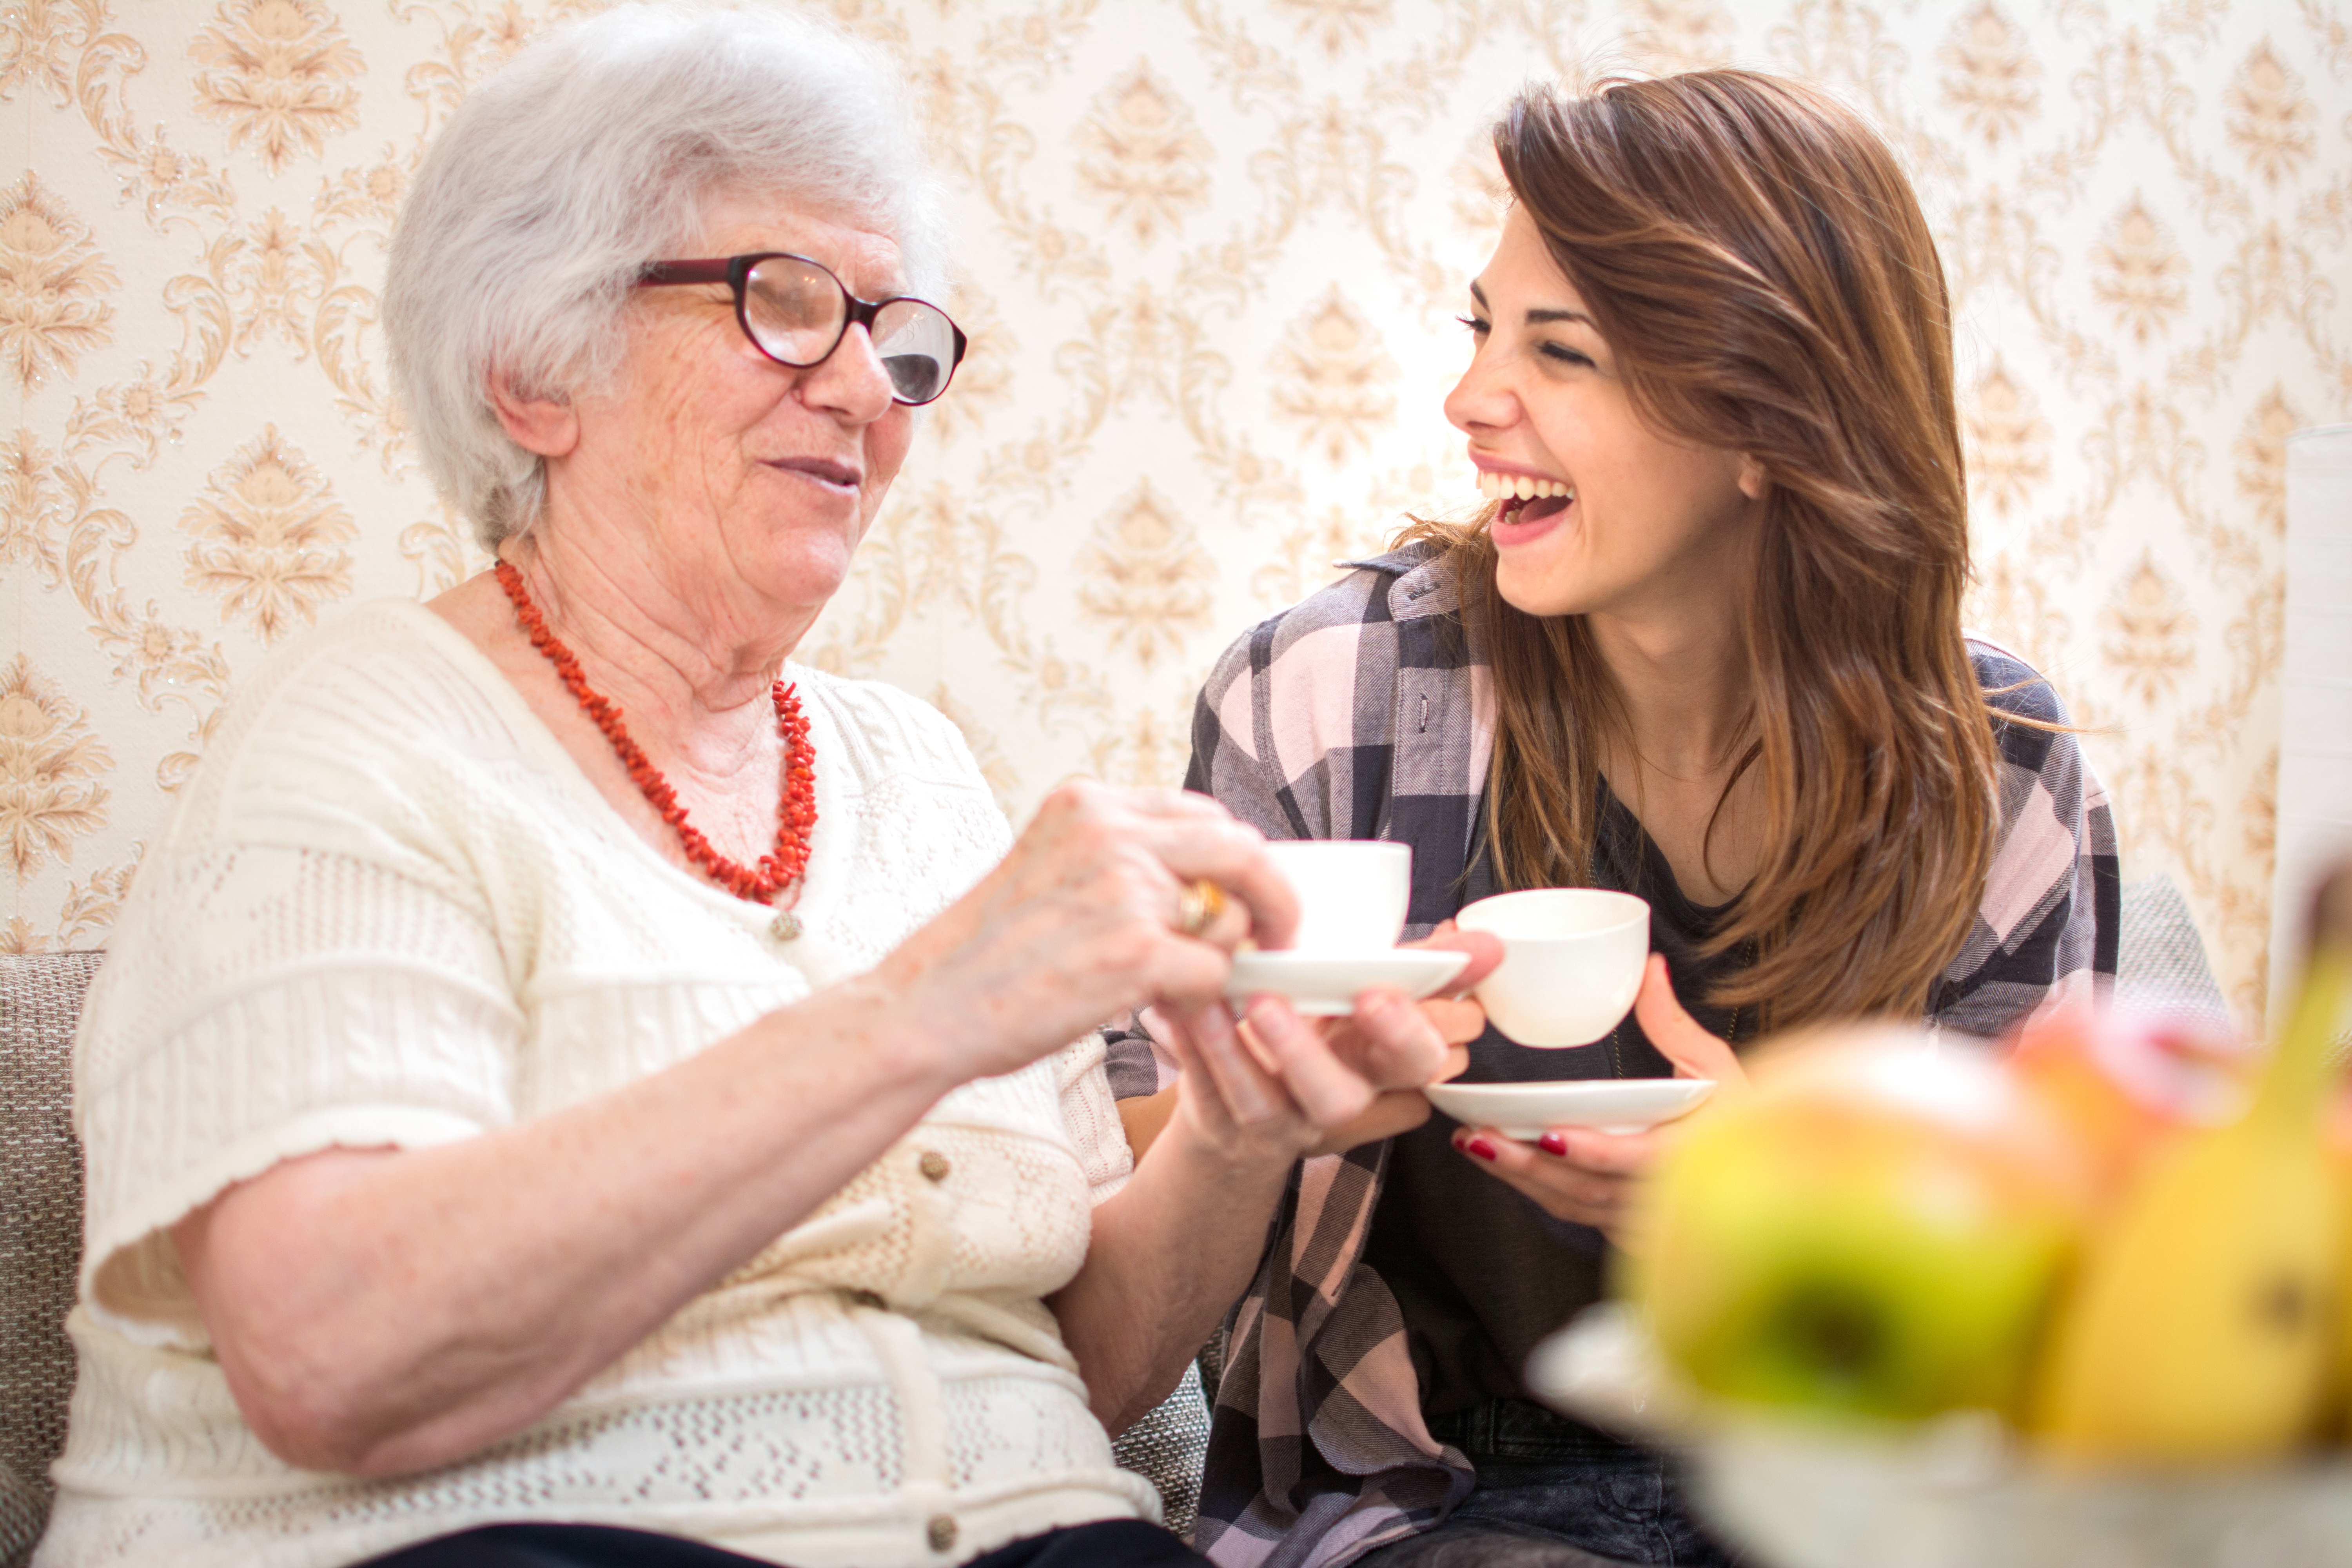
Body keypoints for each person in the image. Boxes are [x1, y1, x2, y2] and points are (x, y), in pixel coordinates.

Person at [34, 9, 1496, 1568]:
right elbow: (328, 1359)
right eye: (786, 304)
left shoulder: (912, 772)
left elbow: (1075, 1371)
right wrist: (926, 1008)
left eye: (898, 336)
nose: (875, 389)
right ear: (534, 368)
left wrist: (1238, 1127)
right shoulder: (366, 738)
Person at [1127, 71, 2119, 1568]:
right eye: (1483, 329)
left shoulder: (2003, 778)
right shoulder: (1330, 697)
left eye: (1562, 350)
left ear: (1768, 426)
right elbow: (1142, 1202)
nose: (1470, 400)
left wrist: (1780, 1220)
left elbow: (2060, 1326)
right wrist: (1260, 1106)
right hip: (1428, 1502)